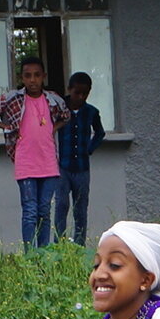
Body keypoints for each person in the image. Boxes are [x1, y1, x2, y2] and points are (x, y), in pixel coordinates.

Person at [0, 58, 69, 249]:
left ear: (43, 77)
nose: (33, 80)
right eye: (28, 76)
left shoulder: (52, 99)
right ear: (22, 78)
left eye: (37, 75)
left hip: (48, 161)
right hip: (26, 161)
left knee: (44, 210)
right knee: (30, 210)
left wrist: (53, 128)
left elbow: (66, 115)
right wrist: (6, 127)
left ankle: (43, 253)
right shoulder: (13, 98)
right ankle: (30, 254)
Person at [48, 72, 107, 247]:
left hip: (82, 168)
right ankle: (59, 244)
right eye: (77, 93)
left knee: (80, 208)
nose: (80, 97)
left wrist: (89, 149)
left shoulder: (91, 112)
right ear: (69, 90)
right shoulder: (60, 108)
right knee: (61, 205)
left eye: (85, 93)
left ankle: (79, 244)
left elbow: (100, 133)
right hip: (62, 167)